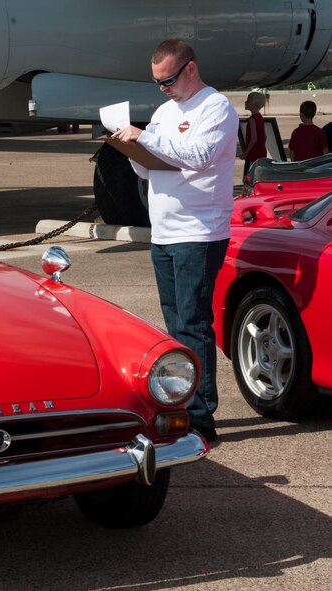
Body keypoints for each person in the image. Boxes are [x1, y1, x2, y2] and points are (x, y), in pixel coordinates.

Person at [111, 38, 238, 444]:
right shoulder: (166, 111)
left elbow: (199, 155)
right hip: (165, 232)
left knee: (194, 322)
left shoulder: (215, 107)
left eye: (167, 80)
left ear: (190, 69)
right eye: (156, 83)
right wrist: (130, 147)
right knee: (173, 324)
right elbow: (152, 170)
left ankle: (201, 416)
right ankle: (179, 404)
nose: (163, 89)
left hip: (198, 232)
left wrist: (145, 138)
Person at [239, 91, 267, 178]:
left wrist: (245, 153)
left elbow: (254, 139)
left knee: (248, 179)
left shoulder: (252, 119)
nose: (245, 102)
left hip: (252, 156)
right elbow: (264, 136)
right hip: (261, 153)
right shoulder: (260, 118)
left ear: (254, 104)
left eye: (248, 100)